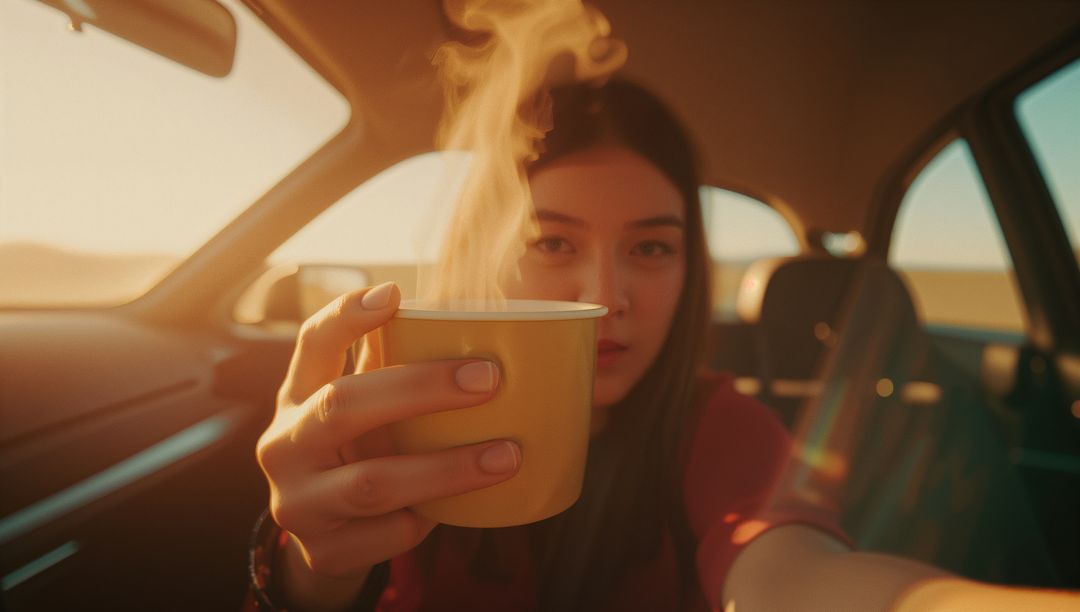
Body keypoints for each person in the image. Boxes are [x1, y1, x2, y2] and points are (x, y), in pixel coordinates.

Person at [244, 79, 1077, 612]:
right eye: (552, 242)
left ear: (690, 269)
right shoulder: (399, 416)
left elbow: (794, 573)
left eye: (650, 247)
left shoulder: (719, 426)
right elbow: (321, 574)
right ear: (483, 252)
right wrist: (312, 571)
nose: (606, 296)